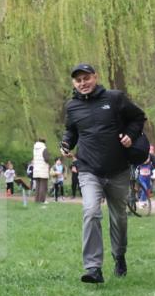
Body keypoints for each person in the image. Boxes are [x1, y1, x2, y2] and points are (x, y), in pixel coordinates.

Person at [59, 63, 146, 283]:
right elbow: (72, 130)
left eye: (86, 78)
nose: (83, 83)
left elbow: (138, 117)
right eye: (78, 80)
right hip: (89, 169)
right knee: (90, 211)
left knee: (119, 218)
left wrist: (130, 135)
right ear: (74, 83)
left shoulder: (114, 98)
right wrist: (67, 142)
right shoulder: (72, 107)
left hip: (118, 170)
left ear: (95, 77)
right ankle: (93, 268)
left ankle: (119, 255)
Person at [32, 139, 50, 205]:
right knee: (43, 185)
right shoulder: (44, 148)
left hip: (36, 169)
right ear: (44, 142)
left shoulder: (34, 149)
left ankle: (37, 200)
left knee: (37, 186)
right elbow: (46, 159)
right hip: (43, 169)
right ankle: (42, 200)